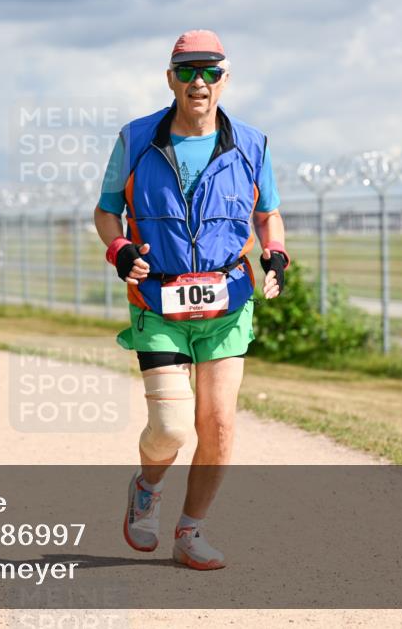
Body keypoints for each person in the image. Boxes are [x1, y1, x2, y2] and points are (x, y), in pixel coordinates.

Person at [94, 30, 289, 570]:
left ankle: (191, 530)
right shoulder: (135, 139)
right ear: (170, 78)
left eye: (209, 70)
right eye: (186, 71)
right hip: (158, 302)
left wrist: (274, 252)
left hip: (227, 303)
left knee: (220, 423)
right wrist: (119, 246)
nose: (197, 81)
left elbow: (268, 212)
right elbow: (106, 210)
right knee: (174, 427)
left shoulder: (252, 144)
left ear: (225, 78)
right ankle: (147, 485)